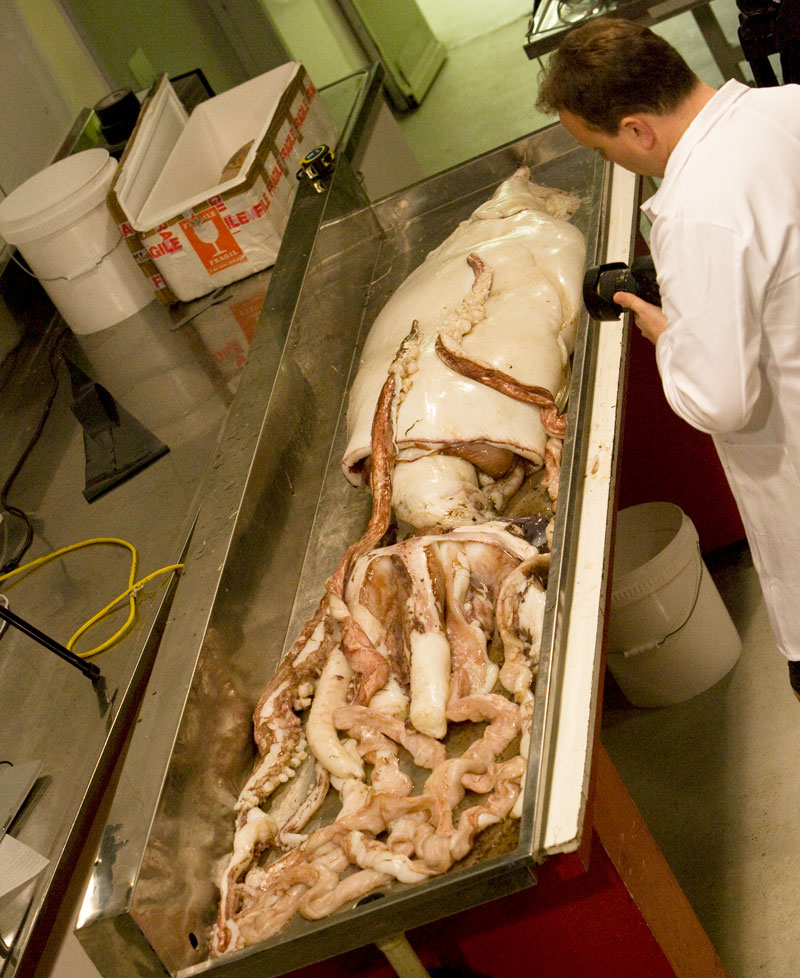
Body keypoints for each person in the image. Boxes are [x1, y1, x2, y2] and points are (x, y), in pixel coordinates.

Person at [536, 17, 800, 702]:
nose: (610, 162)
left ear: (637, 130)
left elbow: (722, 400)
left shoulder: (696, 212)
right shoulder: (788, 107)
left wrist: (666, 330)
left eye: (601, 147)